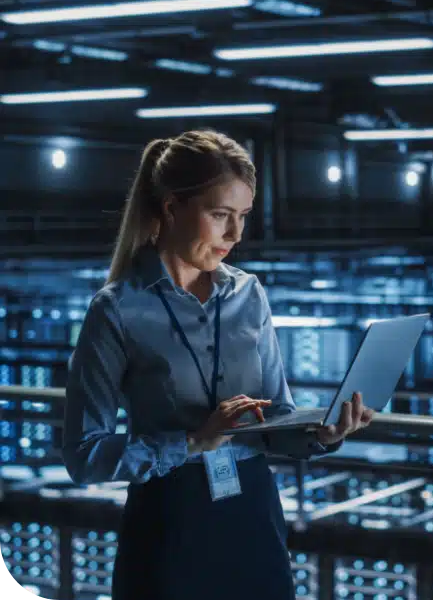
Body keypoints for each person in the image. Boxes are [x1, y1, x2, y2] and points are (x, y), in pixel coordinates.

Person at [62, 129, 374, 600]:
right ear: (171, 208)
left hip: (253, 512)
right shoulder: (117, 310)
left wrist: (321, 435)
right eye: (220, 215)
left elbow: (276, 416)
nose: (236, 234)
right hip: (171, 519)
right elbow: (84, 455)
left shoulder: (250, 294)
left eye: (243, 216)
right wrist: (192, 442)